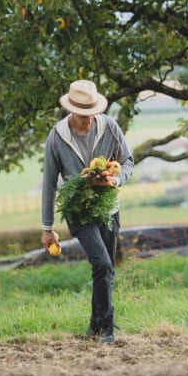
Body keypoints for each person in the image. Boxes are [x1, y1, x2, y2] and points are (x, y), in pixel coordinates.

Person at [41, 79, 134, 344]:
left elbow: (127, 161)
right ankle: (107, 328)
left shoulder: (109, 126)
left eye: (91, 112)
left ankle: (94, 327)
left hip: (108, 207)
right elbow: (48, 183)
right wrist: (47, 229)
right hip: (78, 210)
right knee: (102, 264)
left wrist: (115, 180)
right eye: (82, 114)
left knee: (106, 270)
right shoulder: (58, 137)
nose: (87, 119)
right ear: (72, 110)